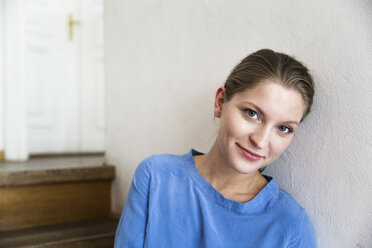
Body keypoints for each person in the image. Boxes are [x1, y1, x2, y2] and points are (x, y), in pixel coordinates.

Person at [114, 49, 317, 247]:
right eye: (252, 114)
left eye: (283, 128)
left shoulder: (291, 225)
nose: (261, 141)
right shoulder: (155, 177)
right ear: (220, 102)